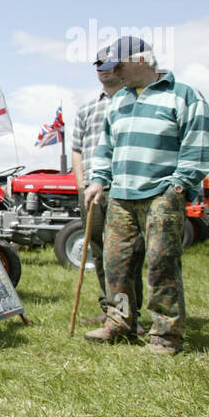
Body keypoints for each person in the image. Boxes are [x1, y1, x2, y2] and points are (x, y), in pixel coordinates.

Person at [82, 36, 209, 354]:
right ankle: (120, 322)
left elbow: (197, 145)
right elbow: (106, 148)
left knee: (161, 264)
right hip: (121, 196)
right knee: (116, 264)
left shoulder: (184, 96)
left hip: (162, 194)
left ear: (143, 60)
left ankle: (166, 334)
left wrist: (179, 186)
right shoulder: (118, 101)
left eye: (120, 66)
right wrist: (98, 180)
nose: (115, 73)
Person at [71, 59, 138, 325]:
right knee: (99, 249)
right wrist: (81, 184)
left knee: (128, 250)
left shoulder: (134, 104)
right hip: (91, 189)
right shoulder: (87, 108)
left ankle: (131, 312)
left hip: (123, 187)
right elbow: (76, 149)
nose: (104, 69)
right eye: (99, 64)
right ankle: (109, 308)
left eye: (110, 64)